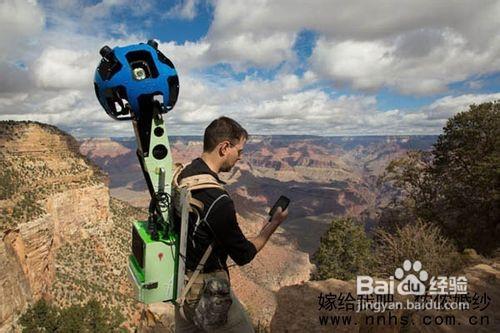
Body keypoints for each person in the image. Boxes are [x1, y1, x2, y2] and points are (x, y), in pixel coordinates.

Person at [174, 116, 288, 333]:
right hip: (205, 292)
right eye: (239, 151)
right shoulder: (217, 199)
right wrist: (273, 224)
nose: (240, 158)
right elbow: (243, 254)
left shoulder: (183, 174)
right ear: (225, 147)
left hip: (181, 285)